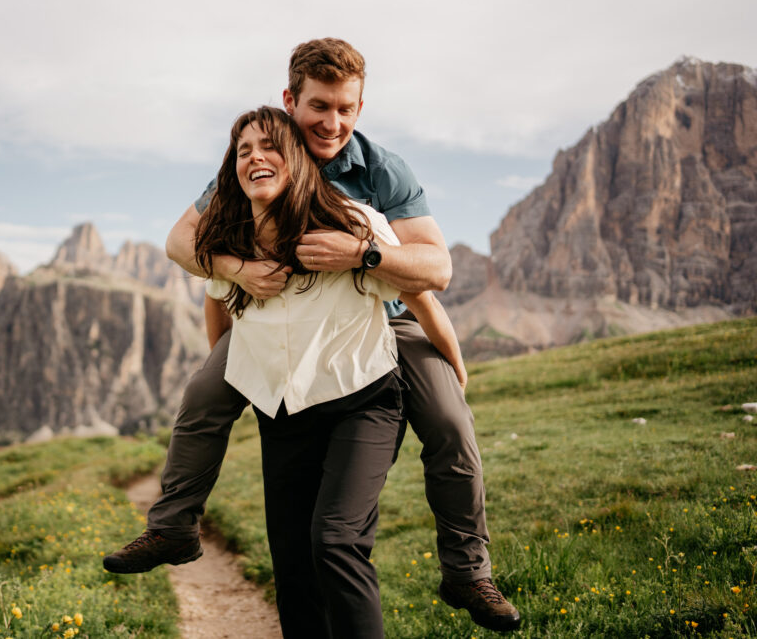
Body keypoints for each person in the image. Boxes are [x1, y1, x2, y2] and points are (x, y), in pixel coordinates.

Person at [104, 38, 520, 633]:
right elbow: (186, 246)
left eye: (348, 109)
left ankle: (466, 571)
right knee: (202, 395)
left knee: (451, 424)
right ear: (289, 102)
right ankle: (172, 527)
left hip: (389, 315)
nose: (334, 123)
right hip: (277, 321)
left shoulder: (378, 172)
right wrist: (236, 272)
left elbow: (435, 274)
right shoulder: (263, 152)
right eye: (320, 106)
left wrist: (362, 255)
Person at [197, 105, 430, 637]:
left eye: (269, 147)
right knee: (294, 564)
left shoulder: (354, 221)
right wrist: (240, 371)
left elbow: (424, 289)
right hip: (283, 411)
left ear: (297, 159)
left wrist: (453, 363)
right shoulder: (229, 239)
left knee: (336, 539)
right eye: (243, 151)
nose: (254, 158)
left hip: (364, 401)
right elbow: (215, 299)